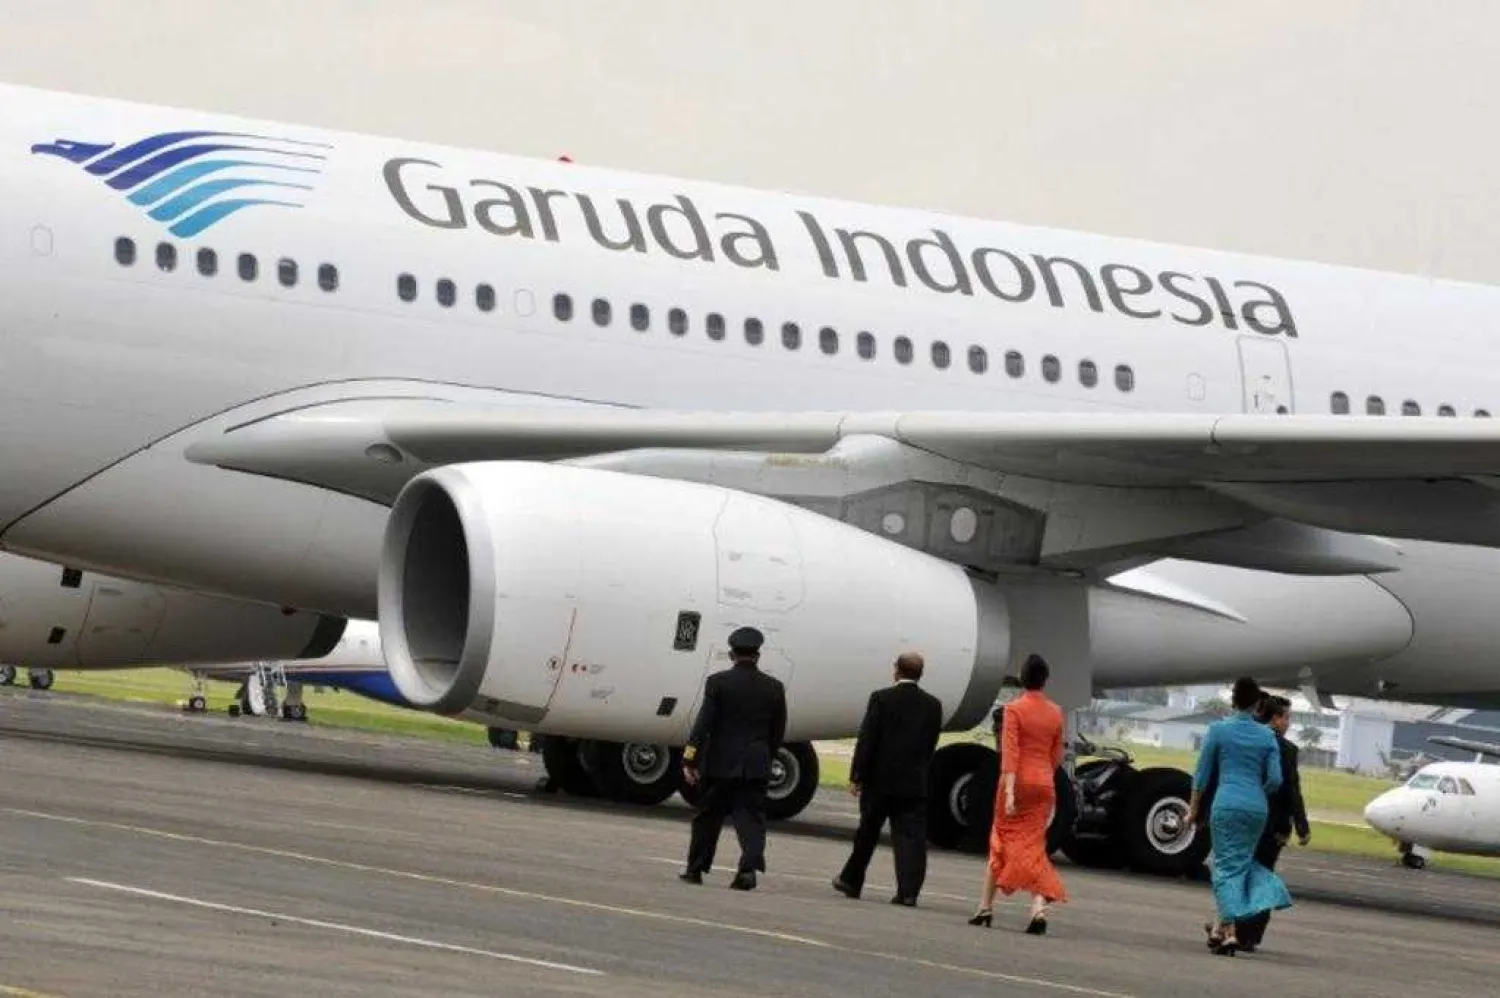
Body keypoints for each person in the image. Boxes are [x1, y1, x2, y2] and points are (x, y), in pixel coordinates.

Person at [1187, 677, 1293, 956]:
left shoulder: (1218, 731)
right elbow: (1275, 779)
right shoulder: (1267, 736)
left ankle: (1231, 932)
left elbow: (1202, 775)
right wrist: (1256, 792)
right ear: (1258, 704)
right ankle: (1220, 930)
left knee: (1223, 868)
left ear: (1233, 701)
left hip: (1227, 802)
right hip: (1256, 806)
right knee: (1239, 867)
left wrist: (1193, 808)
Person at [678, 626, 788, 890]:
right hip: (755, 764)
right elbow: (778, 730)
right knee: (750, 819)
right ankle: (748, 869)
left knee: (708, 817)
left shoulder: (718, 683)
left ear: (731, 654)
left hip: (719, 762)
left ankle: (695, 869)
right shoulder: (774, 688)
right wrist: (766, 757)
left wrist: (689, 759)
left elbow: (703, 725)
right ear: (758, 655)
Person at [831, 652, 944, 906]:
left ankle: (852, 879)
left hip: (879, 780)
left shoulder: (882, 698)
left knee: (867, 832)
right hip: (913, 781)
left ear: (896, 671)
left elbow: (868, 739)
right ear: (920, 674)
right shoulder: (933, 705)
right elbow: (930, 743)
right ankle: (908, 891)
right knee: (910, 838)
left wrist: (857, 774)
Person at [969, 654, 1067, 934]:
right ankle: (1037, 908)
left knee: (999, 840)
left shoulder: (1014, 710)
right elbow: (1056, 754)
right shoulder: (1056, 712)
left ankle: (985, 907)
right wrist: (1044, 776)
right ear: (1045, 680)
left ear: (1022, 679)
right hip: (1044, 783)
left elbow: (1010, 754)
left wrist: (1010, 791)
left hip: (1017, 781)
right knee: (1034, 845)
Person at [1235, 694, 1308, 951]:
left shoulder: (1245, 743)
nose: (1288, 723)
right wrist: (1301, 827)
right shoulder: (1286, 750)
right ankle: (1250, 935)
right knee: (1262, 878)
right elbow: (1291, 790)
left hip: (1244, 821)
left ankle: (1235, 929)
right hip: (1271, 827)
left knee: (1239, 876)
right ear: (1275, 719)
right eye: (1286, 717)